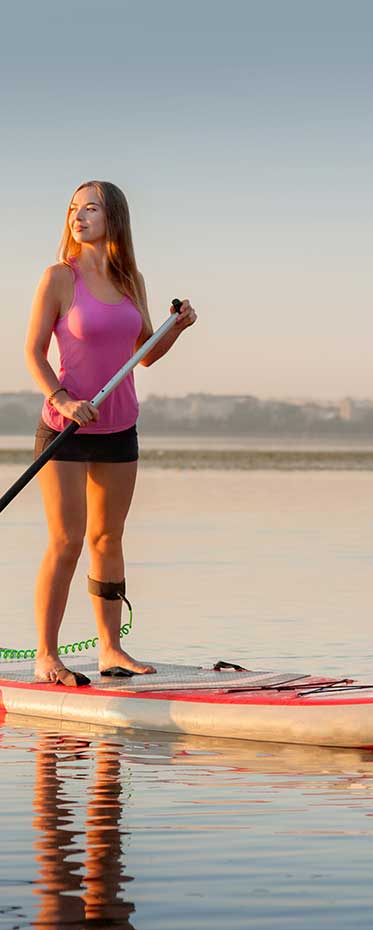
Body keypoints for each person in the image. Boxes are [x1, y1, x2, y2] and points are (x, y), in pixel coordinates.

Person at [25, 180, 197, 686]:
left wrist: (175, 329)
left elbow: (142, 355)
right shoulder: (59, 277)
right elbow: (33, 352)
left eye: (91, 209)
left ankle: (111, 650)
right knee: (67, 540)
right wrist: (63, 400)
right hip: (66, 426)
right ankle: (46, 655)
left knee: (108, 537)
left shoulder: (130, 279)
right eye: (74, 209)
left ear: (114, 217)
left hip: (120, 423)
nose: (78, 217)